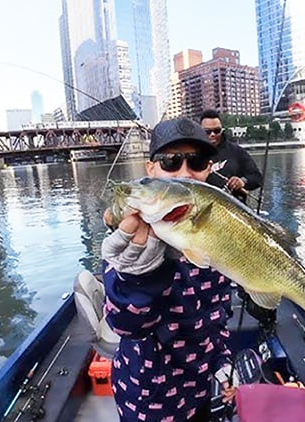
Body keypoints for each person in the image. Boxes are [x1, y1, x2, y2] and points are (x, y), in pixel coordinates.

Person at [101, 117, 237, 421]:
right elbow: (126, 325)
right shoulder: (127, 238)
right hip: (150, 400)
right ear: (151, 170)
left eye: (197, 162)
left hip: (200, 387)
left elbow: (219, 312)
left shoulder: (217, 235)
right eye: (171, 162)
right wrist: (139, 276)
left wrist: (223, 364)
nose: (185, 174)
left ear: (209, 169)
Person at [199, 109, 262, 204]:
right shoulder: (193, 154)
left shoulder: (237, 151)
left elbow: (257, 177)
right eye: (207, 131)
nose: (212, 135)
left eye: (216, 130)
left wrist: (242, 181)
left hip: (234, 208)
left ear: (221, 129)